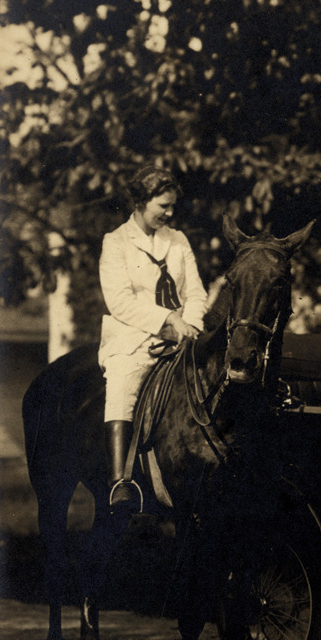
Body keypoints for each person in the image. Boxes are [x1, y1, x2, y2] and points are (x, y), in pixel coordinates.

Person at [98, 165, 208, 513]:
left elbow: (196, 293)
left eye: (173, 205)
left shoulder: (178, 241)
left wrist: (189, 325)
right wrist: (167, 320)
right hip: (134, 336)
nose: (170, 212)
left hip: (183, 335)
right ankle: (121, 481)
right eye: (163, 205)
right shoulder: (116, 243)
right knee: (122, 381)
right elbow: (119, 302)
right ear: (140, 201)